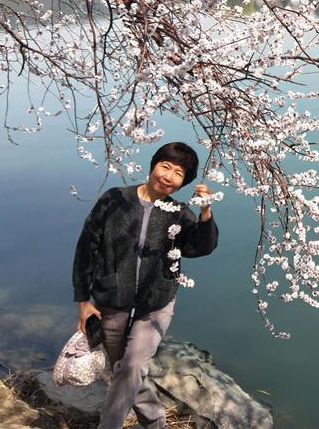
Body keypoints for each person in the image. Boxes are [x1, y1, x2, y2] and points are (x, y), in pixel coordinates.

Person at [72, 142, 219, 429]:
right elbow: (85, 248)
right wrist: (83, 300)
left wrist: (205, 212)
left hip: (156, 305)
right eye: (165, 166)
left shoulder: (179, 214)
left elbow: (201, 247)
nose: (168, 176)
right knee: (125, 371)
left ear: (183, 182)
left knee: (133, 367)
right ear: (153, 166)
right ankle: (156, 423)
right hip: (110, 301)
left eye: (178, 173)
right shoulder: (114, 200)